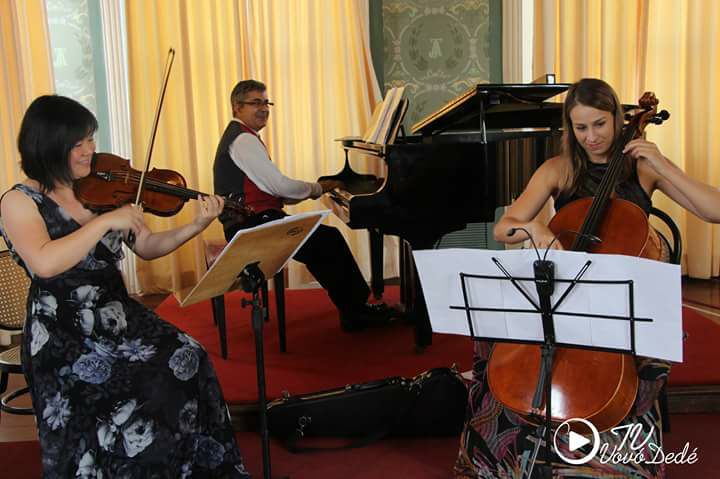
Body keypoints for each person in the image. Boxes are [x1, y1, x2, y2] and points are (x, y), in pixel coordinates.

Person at [454, 78, 720, 478]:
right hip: (566, 292)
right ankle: (508, 449)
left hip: (623, 301)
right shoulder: (558, 169)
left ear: (616, 119)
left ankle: (612, 456)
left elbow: (714, 210)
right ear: (569, 128)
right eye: (581, 128)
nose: (591, 137)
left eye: (600, 124)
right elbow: (504, 227)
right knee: (495, 338)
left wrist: (663, 165)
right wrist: (534, 230)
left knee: (646, 350)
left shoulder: (643, 168)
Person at [0, 95, 250, 478]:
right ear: (48, 145)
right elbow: (45, 262)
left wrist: (195, 226)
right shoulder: (20, 201)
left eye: (91, 139)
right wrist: (103, 223)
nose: (90, 151)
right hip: (63, 330)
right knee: (140, 383)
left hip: (118, 313)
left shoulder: (101, 188)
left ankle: (183, 466)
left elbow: (148, 247)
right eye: (79, 143)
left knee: (189, 355)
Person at [213, 79, 393, 332]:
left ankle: (354, 308)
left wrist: (308, 191)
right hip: (249, 227)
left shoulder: (242, 137)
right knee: (327, 240)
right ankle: (356, 312)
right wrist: (317, 188)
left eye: (266, 102)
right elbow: (280, 186)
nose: (264, 108)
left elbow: (273, 190)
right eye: (256, 103)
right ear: (237, 107)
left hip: (255, 220)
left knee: (323, 241)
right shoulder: (243, 140)